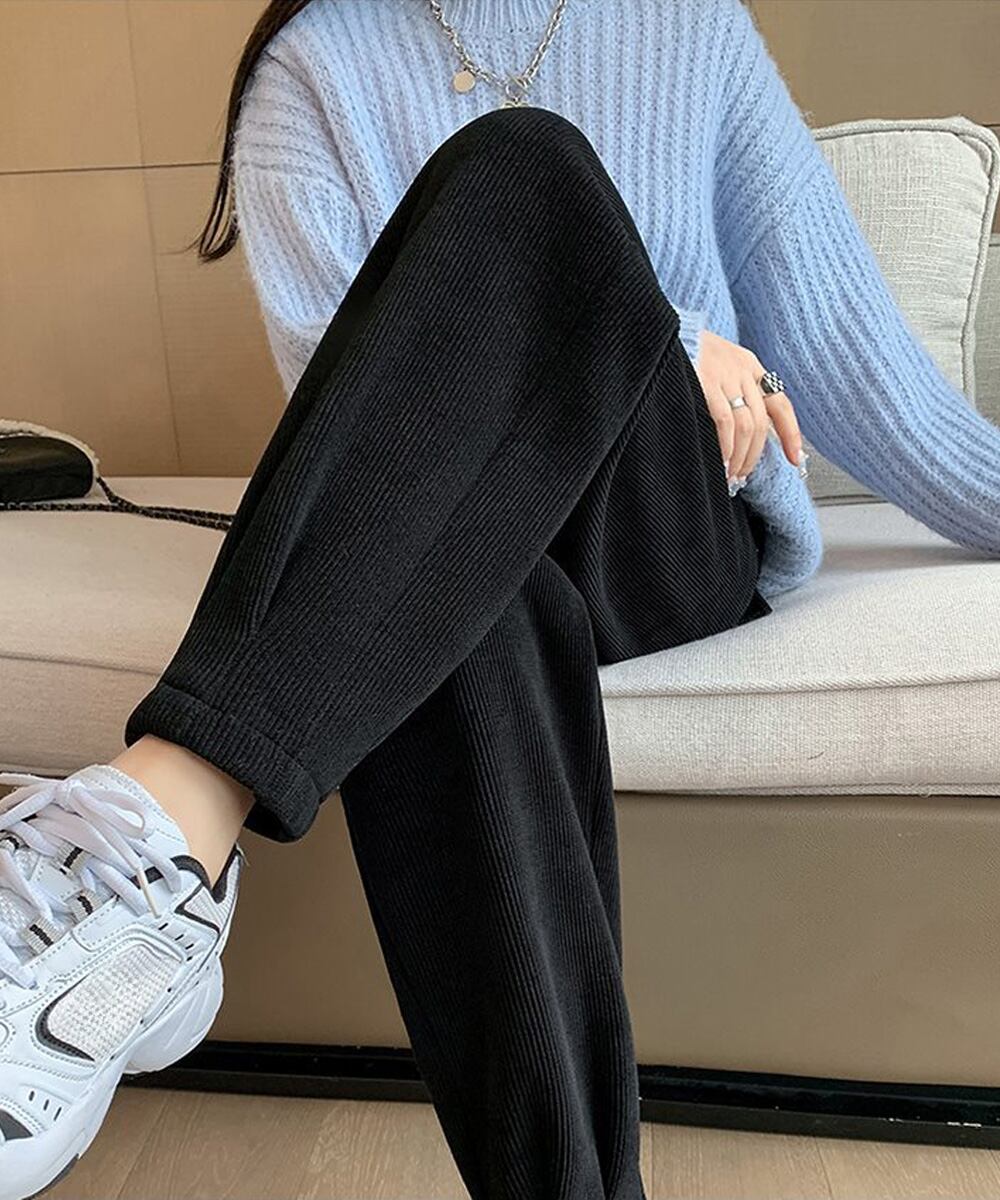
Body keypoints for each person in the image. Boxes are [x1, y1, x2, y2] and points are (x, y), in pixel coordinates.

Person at [1, 2, 999, 1199]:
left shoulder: (683, 25)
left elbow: (856, 357)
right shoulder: (315, 66)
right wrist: (660, 329)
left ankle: (157, 835)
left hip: (663, 525)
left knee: (525, 162)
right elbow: (351, 400)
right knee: (455, 614)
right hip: (458, 521)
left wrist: (665, 341)